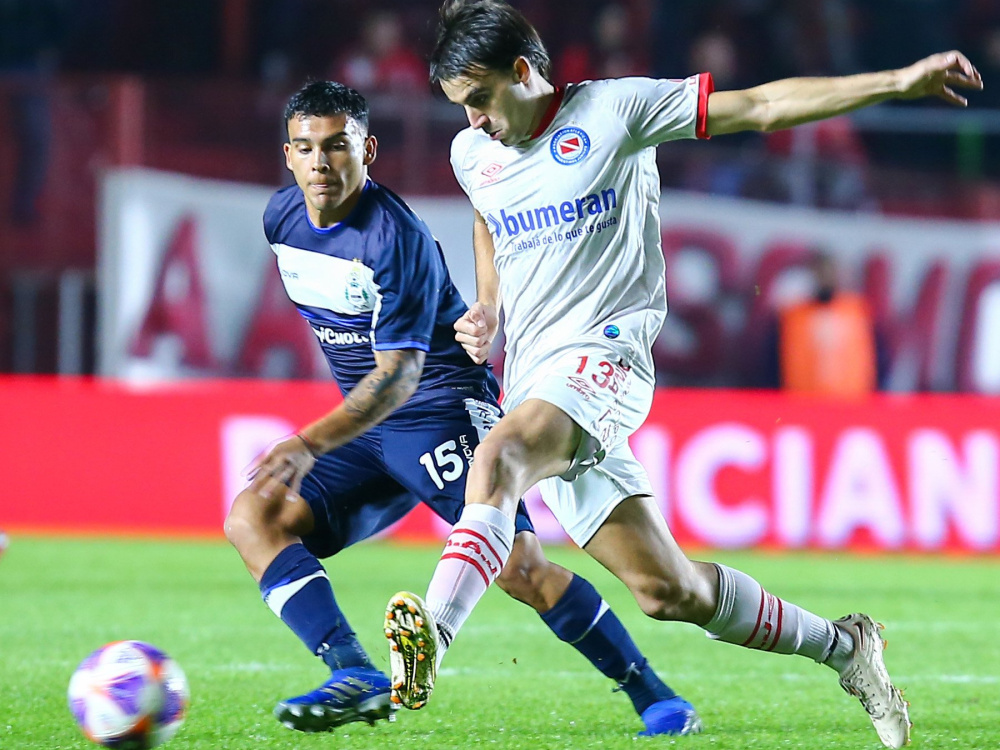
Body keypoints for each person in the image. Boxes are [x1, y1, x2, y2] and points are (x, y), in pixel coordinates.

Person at [384, 2, 983, 748]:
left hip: (606, 359)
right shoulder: (475, 153)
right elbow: (485, 212)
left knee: (498, 459)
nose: (472, 121)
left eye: (478, 99)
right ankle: (847, 647)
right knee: (668, 592)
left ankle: (431, 639)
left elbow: (761, 107)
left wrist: (898, 79)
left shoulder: (615, 111)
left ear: (524, 72)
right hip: (538, 378)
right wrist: (490, 301)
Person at [223, 80, 699, 737]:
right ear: (288, 156)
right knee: (255, 516)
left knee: (519, 569)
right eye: (306, 149)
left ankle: (654, 695)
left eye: (338, 146)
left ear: (369, 148)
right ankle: (354, 671)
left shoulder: (395, 238)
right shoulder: (282, 219)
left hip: (441, 408)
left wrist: (307, 443)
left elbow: (397, 378)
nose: (321, 163)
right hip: (371, 429)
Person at [763, 251, 889, 395]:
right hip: (800, 404)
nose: (826, 279)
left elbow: (878, 362)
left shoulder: (857, 314)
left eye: (830, 272)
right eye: (820, 273)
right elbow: (772, 364)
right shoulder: (793, 316)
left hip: (852, 404)